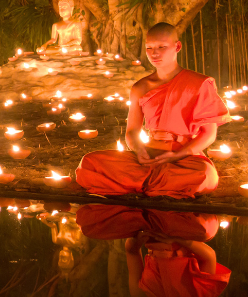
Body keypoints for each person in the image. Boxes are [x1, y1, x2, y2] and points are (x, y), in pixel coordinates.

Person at [75, 22, 230, 199]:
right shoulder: (141, 87)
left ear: (177, 46)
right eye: (149, 48)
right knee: (90, 162)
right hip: (150, 154)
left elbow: (208, 134)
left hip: (184, 157)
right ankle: (157, 186)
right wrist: (139, 151)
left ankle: (139, 184)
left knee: (203, 174)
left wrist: (177, 155)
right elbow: (132, 131)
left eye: (161, 47)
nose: (154, 53)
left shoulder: (199, 83)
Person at [76, 204, 230, 297]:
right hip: (181, 229)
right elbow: (209, 256)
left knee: (90, 227)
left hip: (147, 227)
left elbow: (131, 251)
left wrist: (137, 240)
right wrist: (177, 240)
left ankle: (142, 203)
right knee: (206, 230)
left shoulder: (141, 295)